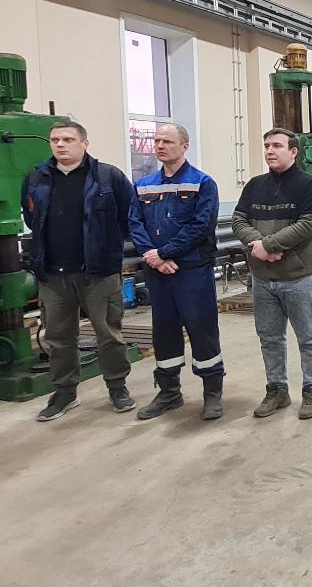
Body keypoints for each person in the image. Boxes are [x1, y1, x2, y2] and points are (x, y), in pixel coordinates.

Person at [22, 121, 136, 421]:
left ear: (84, 143)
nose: (60, 145)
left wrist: (109, 251)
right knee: (58, 337)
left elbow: (129, 217)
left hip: (98, 272)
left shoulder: (108, 176)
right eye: (55, 140)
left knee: (108, 334)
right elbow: (32, 217)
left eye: (68, 139)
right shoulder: (36, 177)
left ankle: (117, 386)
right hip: (53, 273)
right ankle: (65, 392)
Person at [128, 123, 224, 421]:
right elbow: (135, 223)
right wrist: (153, 257)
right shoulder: (143, 185)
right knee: (164, 330)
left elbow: (201, 225)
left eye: (167, 141)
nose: (160, 145)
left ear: (184, 146)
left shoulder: (202, 183)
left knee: (201, 328)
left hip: (192, 269)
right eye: (157, 140)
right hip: (158, 272)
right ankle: (169, 392)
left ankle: (212, 392)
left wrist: (165, 253)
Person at [233, 128, 312, 420]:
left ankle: (311, 389)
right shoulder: (254, 186)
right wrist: (258, 246)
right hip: (263, 279)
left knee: (308, 338)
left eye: (277, 145)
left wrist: (269, 246)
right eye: (266, 146)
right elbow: (239, 219)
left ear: (294, 151)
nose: (270, 151)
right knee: (270, 338)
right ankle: (277, 390)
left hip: (299, 278)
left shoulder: (309, 186)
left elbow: (307, 224)